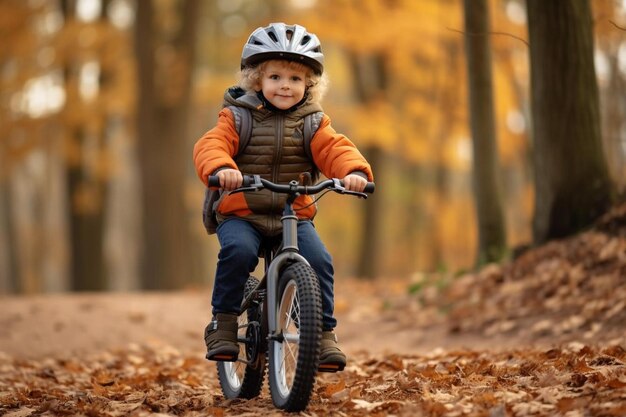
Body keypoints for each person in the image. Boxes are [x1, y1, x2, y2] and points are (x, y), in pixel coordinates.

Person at [192, 22, 374, 371]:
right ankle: (225, 323)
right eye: (275, 77)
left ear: (309, 84)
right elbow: (211, 144)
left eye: (294, 79)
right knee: (238, 251)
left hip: (293, 213)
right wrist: (222, 168)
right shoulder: (237, 116)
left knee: (319, 261)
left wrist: (353, 174)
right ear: (257, 80)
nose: (285, 86)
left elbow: (335, 149)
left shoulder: (313, 122)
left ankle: (321, 337)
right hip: (242, 211)